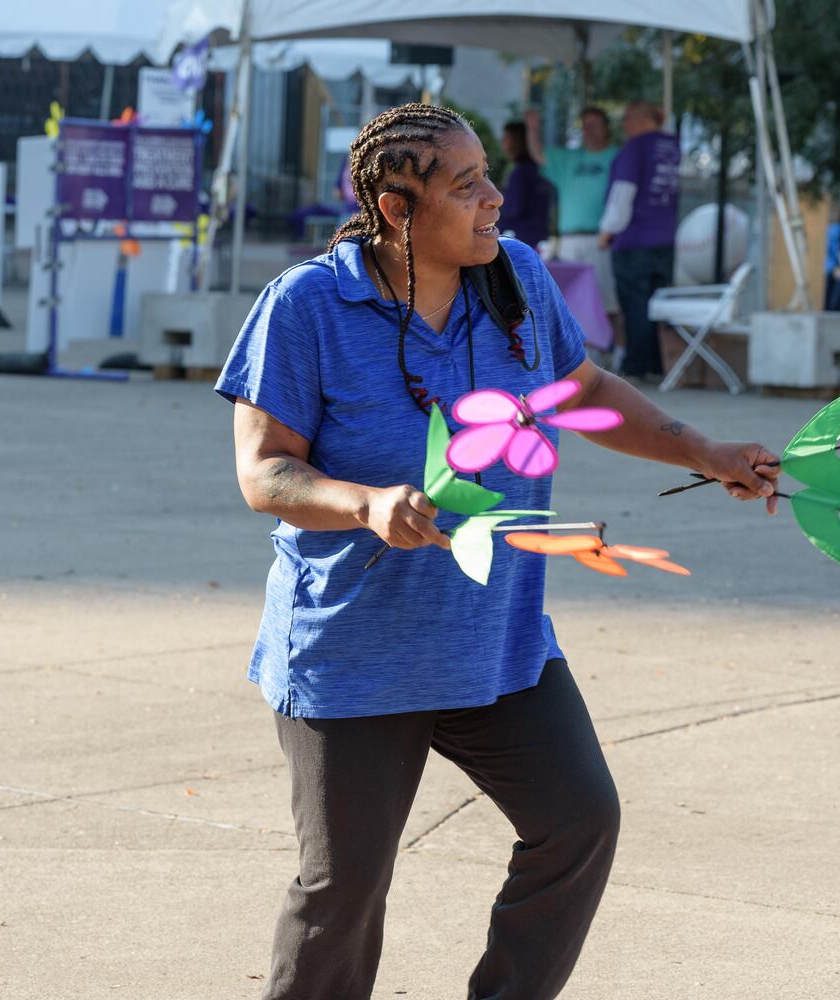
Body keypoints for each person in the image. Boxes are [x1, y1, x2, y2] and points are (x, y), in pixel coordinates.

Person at [216, 103, 779, 1000]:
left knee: (578, 821)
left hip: (495, 641)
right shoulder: (308, 306)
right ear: (400, 209)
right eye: (467, 185)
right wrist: (364, 503)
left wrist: (702, 452)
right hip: (357, 653)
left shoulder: (513, 277)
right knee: (345, 891)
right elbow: (265, 473)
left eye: (491, 176)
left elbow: (585, 388)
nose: (494, 201)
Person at [525, 106, 622, 358]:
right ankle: (578, 358)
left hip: (600, 238)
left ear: (606, 128)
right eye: (585, 125)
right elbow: (539, 155)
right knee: (569, 302)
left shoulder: (615, 156)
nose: (589, 131)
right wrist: (533, 129)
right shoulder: (569, 159)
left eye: (595, 125)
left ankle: (619, 352)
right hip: (569, 240)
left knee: (607, 299)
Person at [598, 101, 681, 381]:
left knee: (635, 305)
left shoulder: (635, 147)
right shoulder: (671, 147)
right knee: (657, 305)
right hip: (665, 239)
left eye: (628, 117)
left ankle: (636, 367)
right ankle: (658, 365)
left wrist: (607, 231)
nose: (624, 124)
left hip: (634, 240)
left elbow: (623, 192)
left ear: (642, 119)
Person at [496, 120, 550, 248]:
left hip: (519, 238)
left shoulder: (520, 172)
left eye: (506, 138)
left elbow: (514, 208)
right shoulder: (539, 170)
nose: (503, 141)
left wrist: (500, 198)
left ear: (517, 141)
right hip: (538, 237)